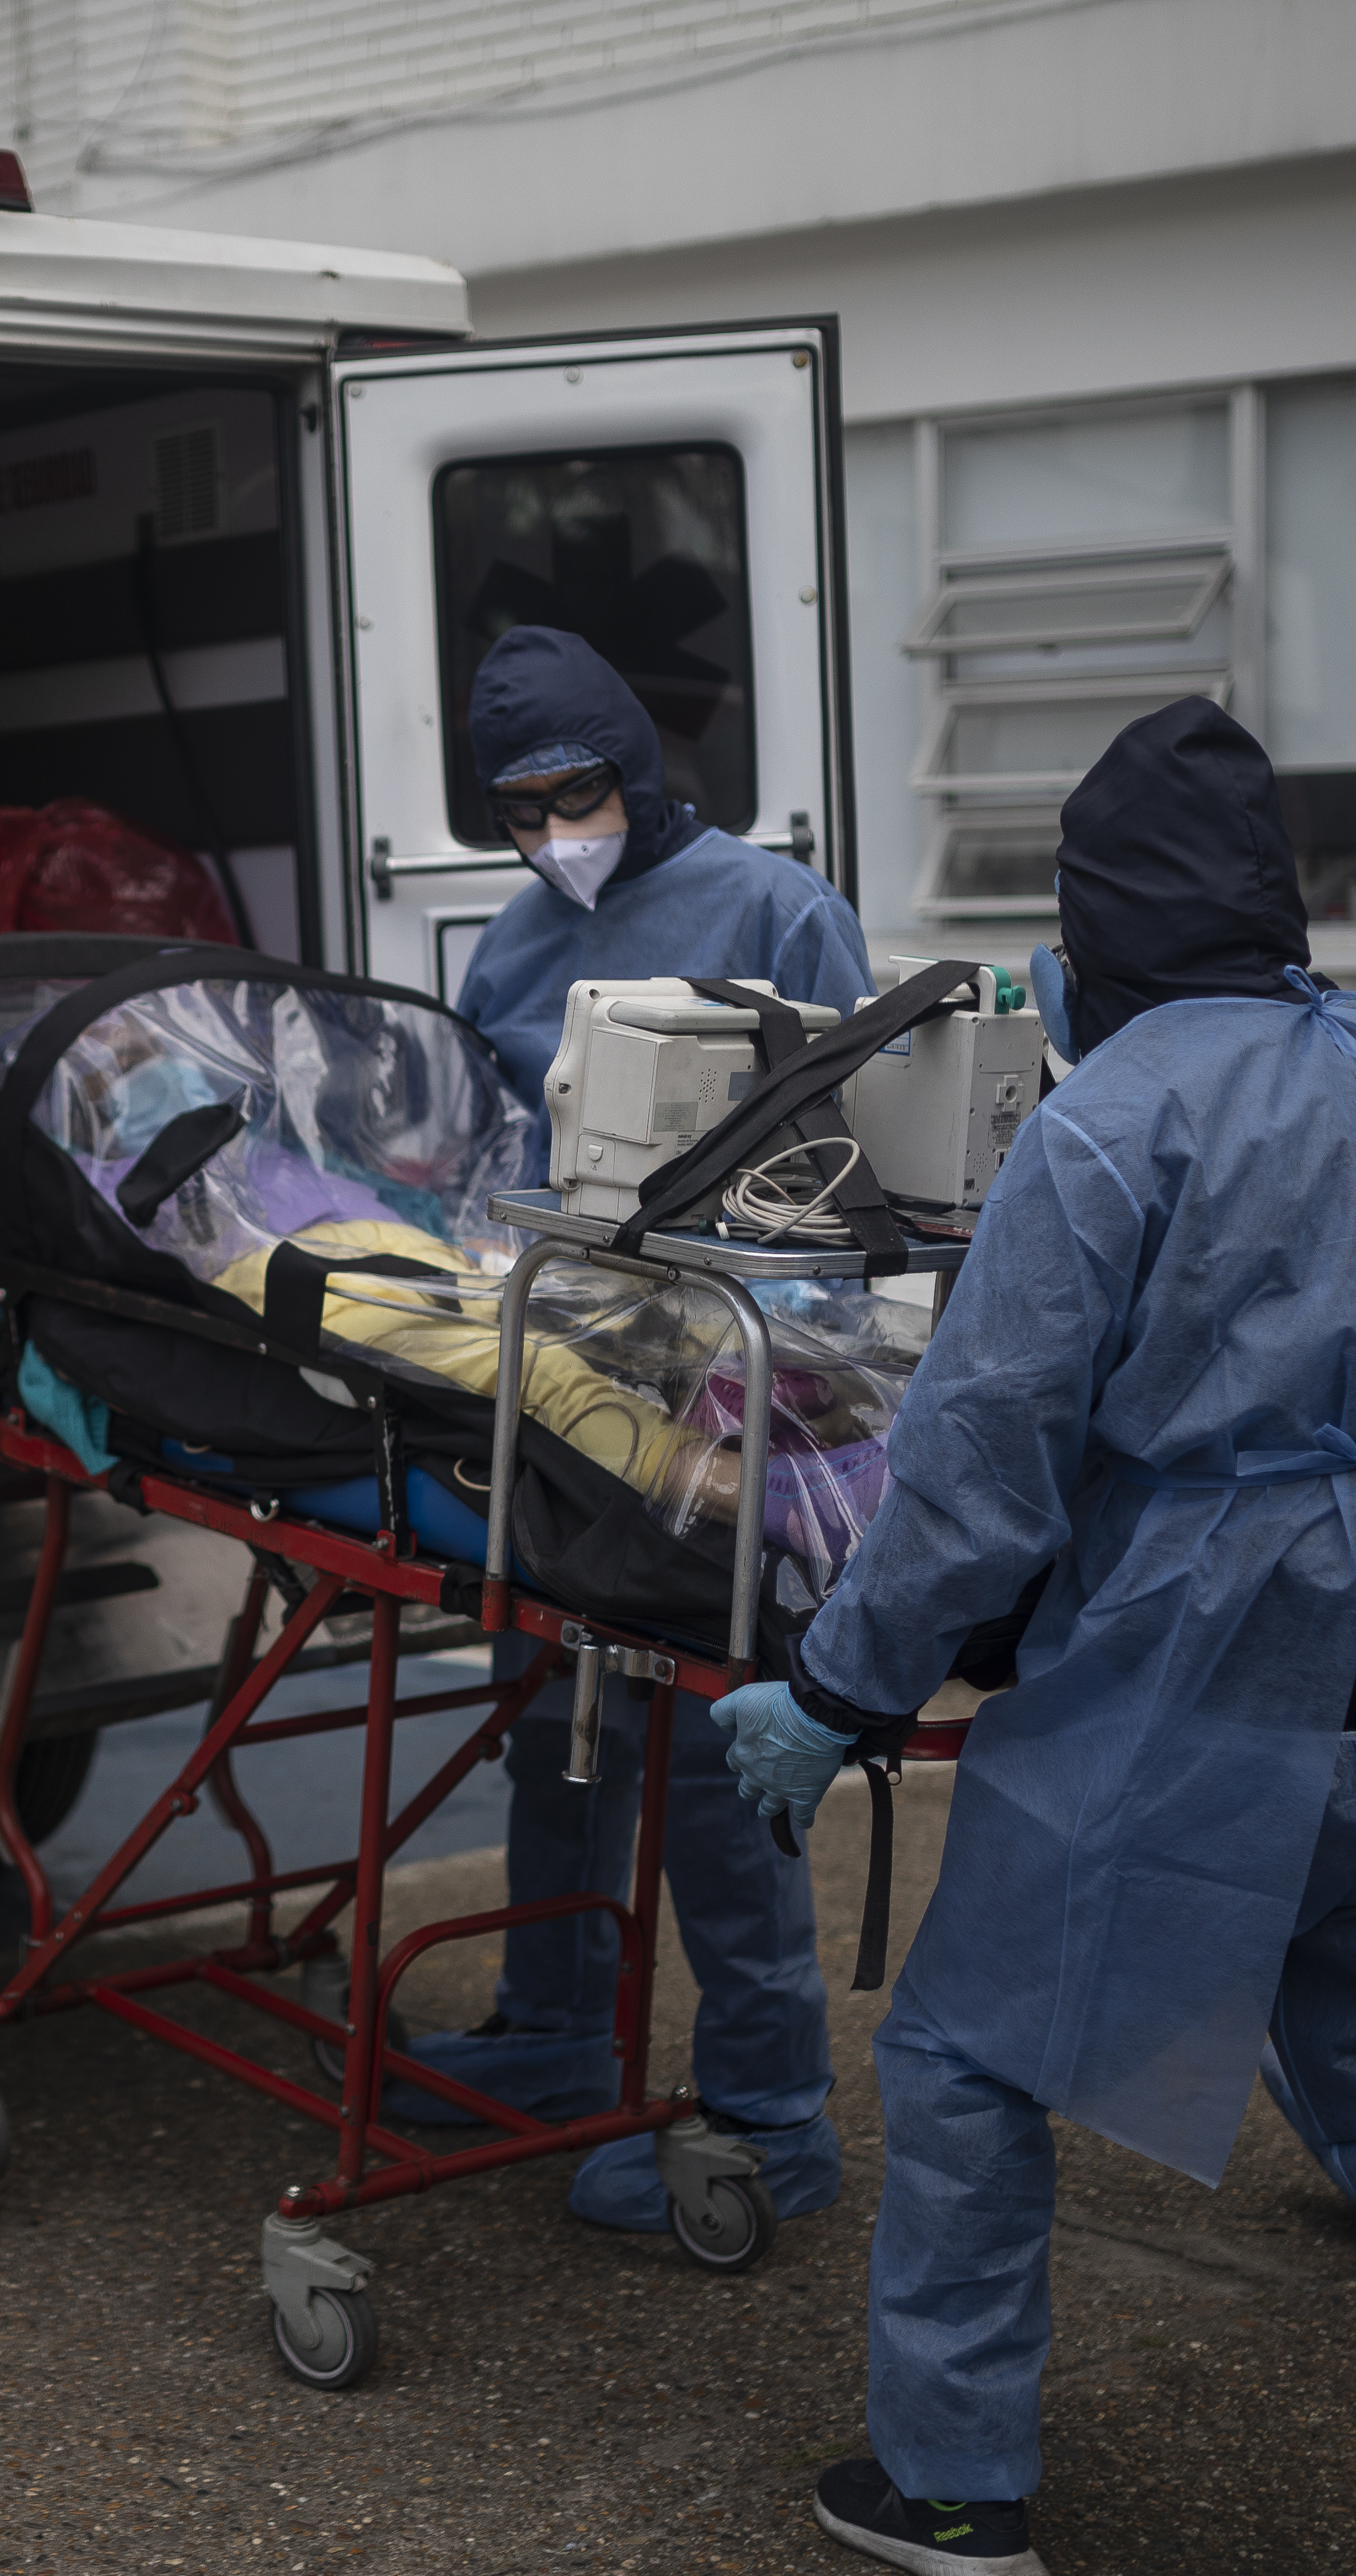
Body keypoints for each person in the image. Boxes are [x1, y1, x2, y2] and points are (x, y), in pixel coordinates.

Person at [719, 698, 1356, 2576]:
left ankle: (955, 2484)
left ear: (1090, 941)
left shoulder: (1111, 1121)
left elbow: (979, 1470)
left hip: (1211, 1695)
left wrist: (840, 1694)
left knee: (968, 2053)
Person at [417, 626, 878, 2235]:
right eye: (523, 813)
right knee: (553, 1720)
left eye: (579, 795)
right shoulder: (514, 946)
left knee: (705, 1760)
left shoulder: (776, 910)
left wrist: (787, 1371)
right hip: (573, 1394)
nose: (557, 835)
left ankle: (770, 2119)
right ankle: (552, 2031)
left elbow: (858, 1178)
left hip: (742, 1404)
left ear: (641, 770)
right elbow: (491, 1156)